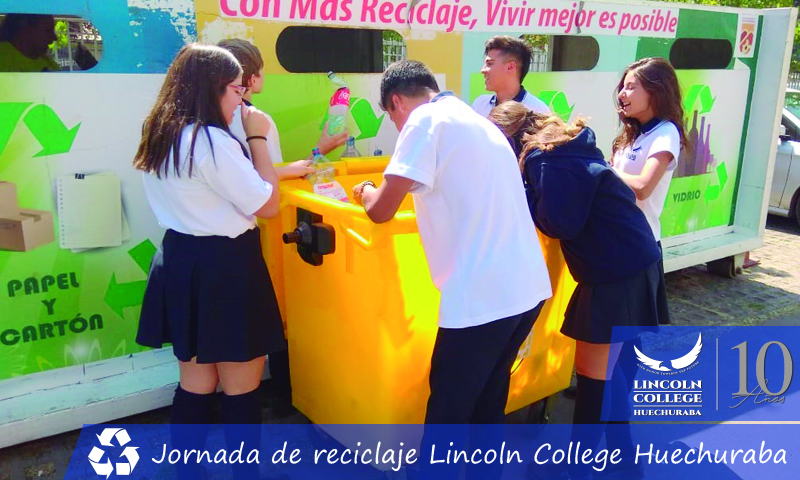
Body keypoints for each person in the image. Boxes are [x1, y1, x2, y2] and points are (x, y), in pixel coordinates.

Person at [352, 60, 552, 479]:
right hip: (525, 289)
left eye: (391, 117)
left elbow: (382, 209)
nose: (396, 126)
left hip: (481, 299)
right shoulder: (475, 121)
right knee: (487, 400)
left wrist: (365, 190)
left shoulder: (424, 120)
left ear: (396, 102)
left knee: (449, 409)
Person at [488, 102, 668, 480]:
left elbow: (560, 223)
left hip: (615, 272)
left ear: (509, 139)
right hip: (631, 262)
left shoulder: (543, 159)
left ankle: (578, 467)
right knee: (607, 373)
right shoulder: (567, 149)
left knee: (593, 376)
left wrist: (523, 192)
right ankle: (623, 458)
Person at [133, 44, 286, 480]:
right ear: (213, 87)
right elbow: (268, 204)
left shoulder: (159, 130)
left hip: (180, 259)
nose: (241, 99)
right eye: (237, 89)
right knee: (241, 387)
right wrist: (257, 137)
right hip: (227, 266)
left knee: (195, 383)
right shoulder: (211, 141)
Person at [218, 38, 348, 173]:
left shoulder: (214, 117)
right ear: (252, 80)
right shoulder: (258, 120)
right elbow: (272, 177)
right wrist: (321, 148)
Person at [471, 35, 549, 117]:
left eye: (489, 64)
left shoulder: (538, 111)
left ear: (510, 67)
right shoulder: (479, 106)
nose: (482, 70)